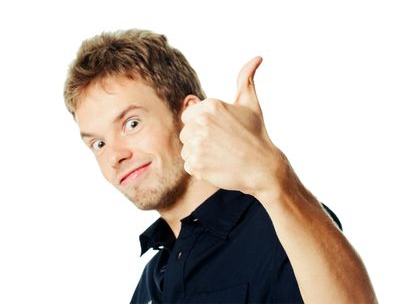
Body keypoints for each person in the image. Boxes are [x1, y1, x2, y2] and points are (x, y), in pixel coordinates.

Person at [64, 29, 377, 303]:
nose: (114, 155)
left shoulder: (280, 224)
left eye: (131, 123)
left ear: (188, 115)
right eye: (98, 143)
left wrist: (274, 178)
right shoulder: (152, 281)